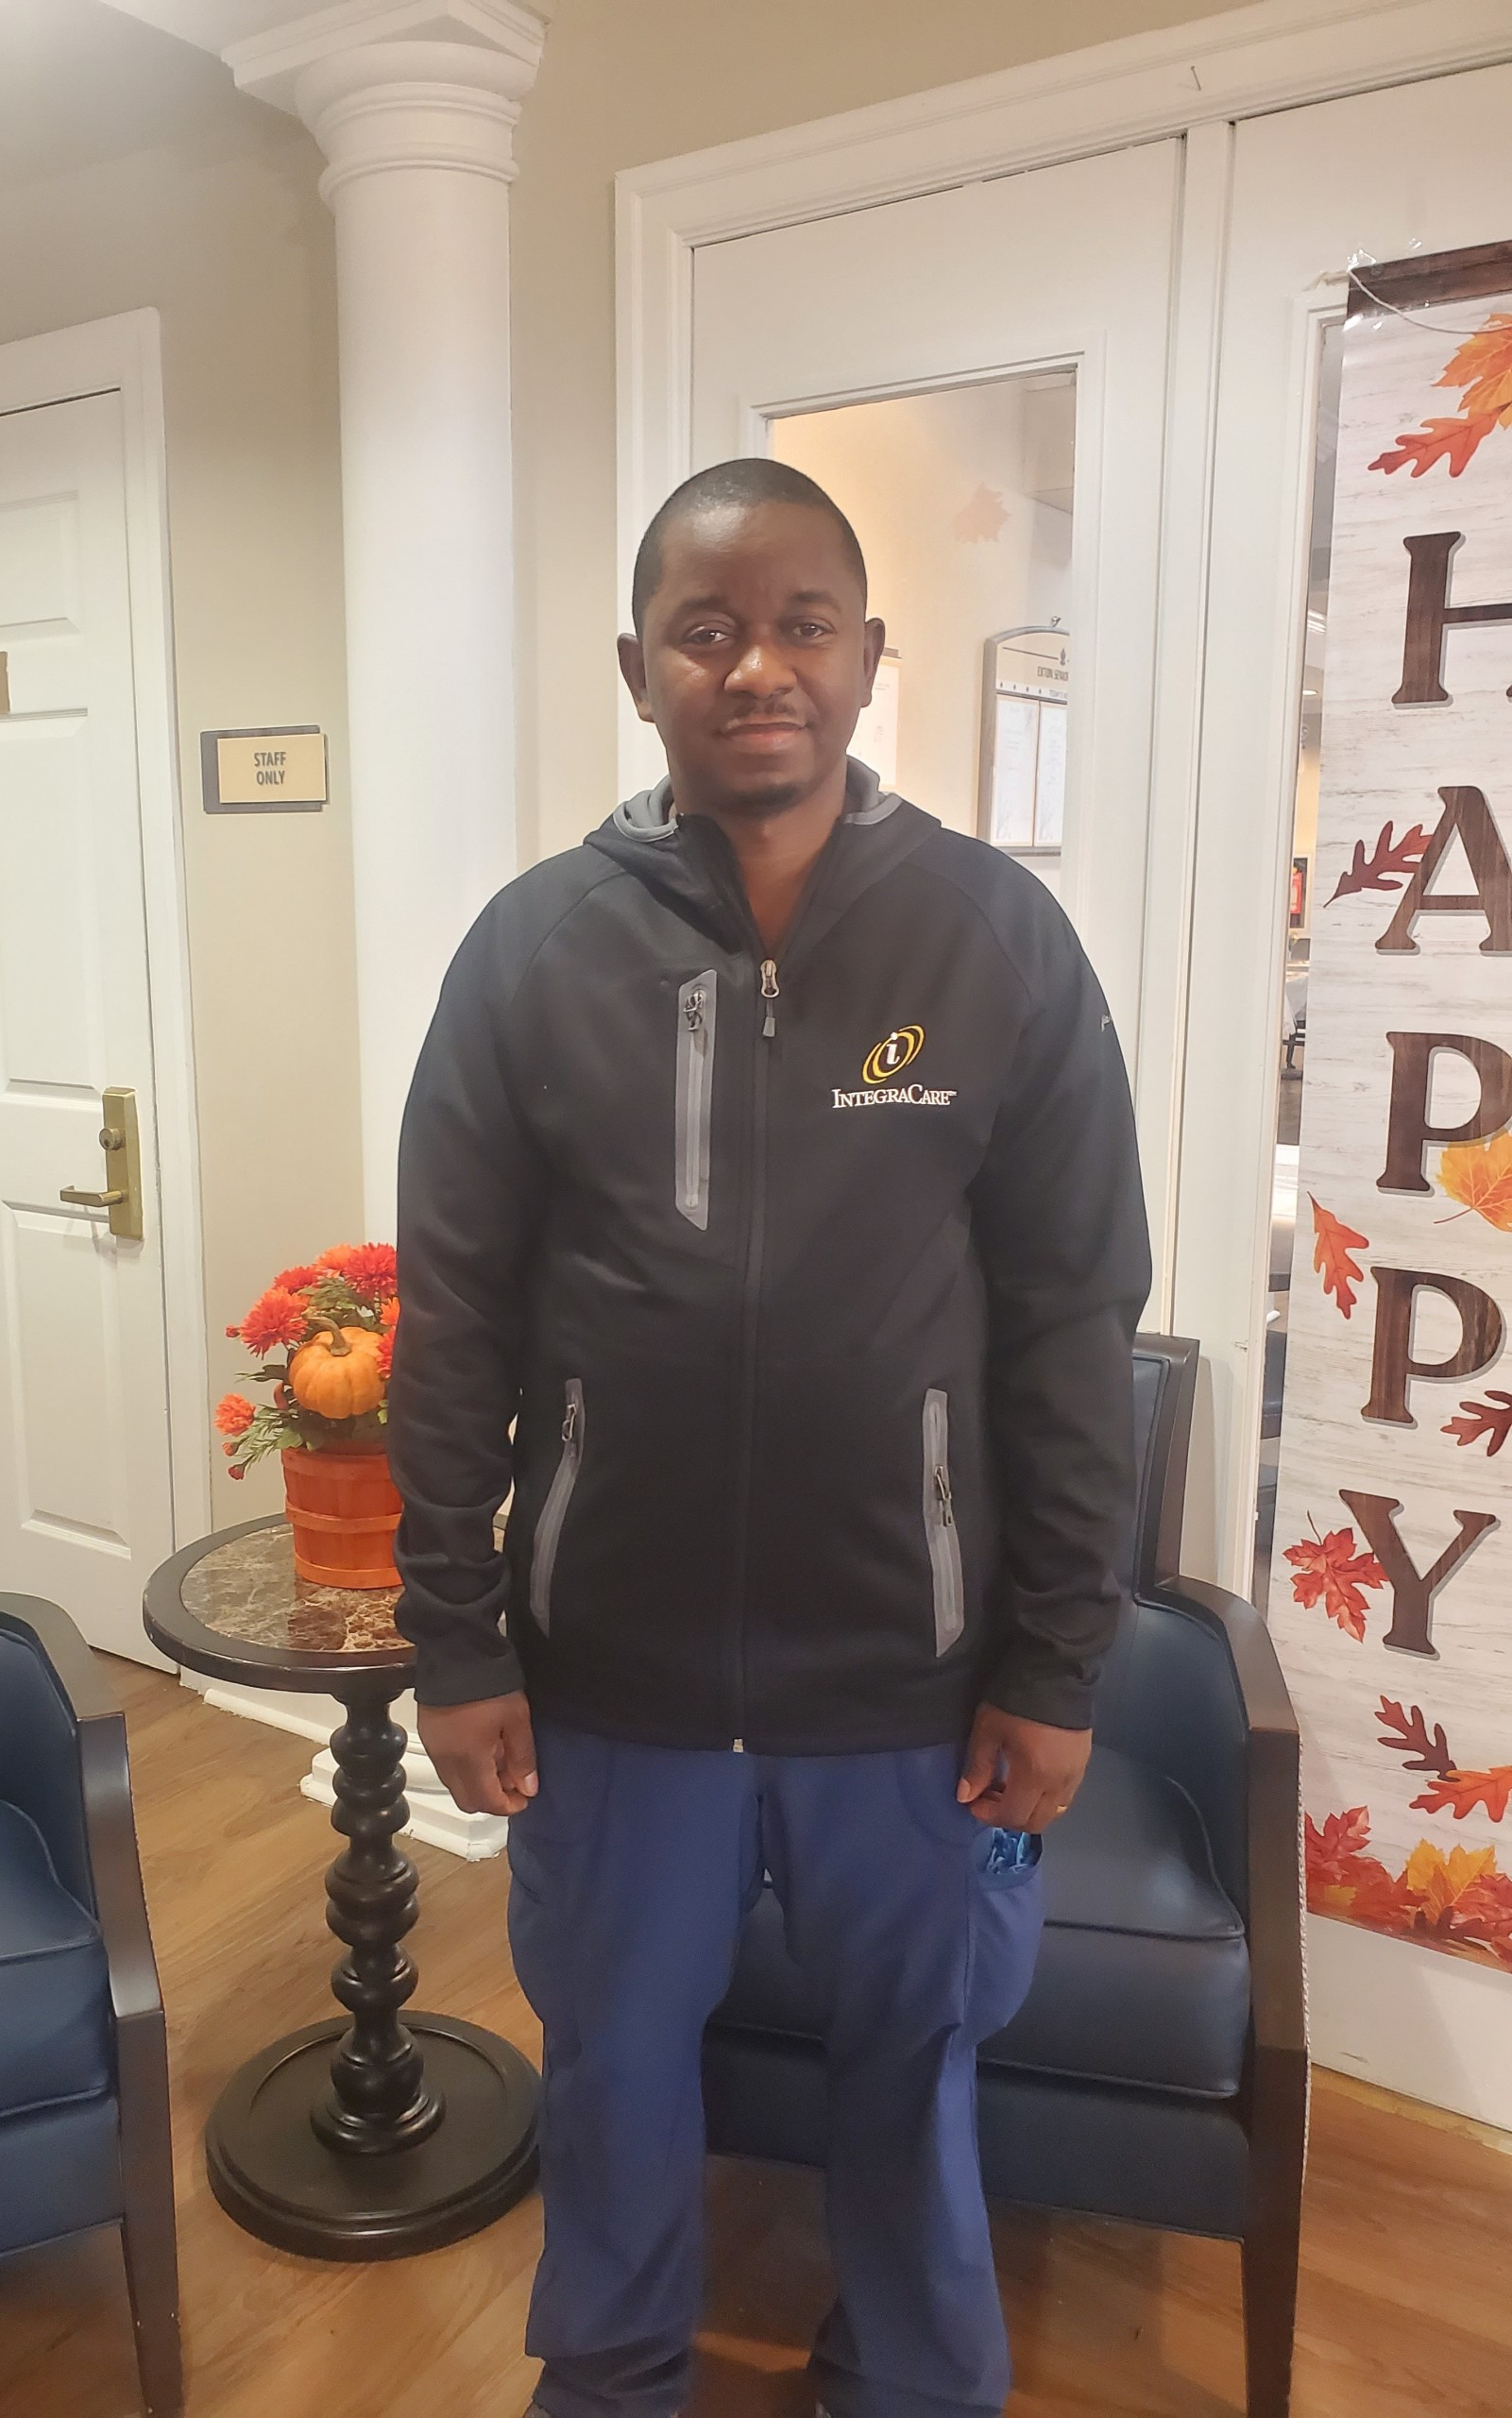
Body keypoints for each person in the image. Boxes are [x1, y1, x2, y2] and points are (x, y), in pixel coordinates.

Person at [386, 457, 1150, 2418]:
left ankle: (909, 2375)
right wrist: (459, 1639)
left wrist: (1060, 1658)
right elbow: (455, 1319)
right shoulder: (530, 952)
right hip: (612, 1684)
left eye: (804, 622)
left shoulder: (999, 943)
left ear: (871, 656)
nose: (759, 666)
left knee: (915, 2073)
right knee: (615, 2068)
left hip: (913, 1681)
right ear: (637, 664)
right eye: (708, 628)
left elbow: (1074, 1323)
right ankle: (616, 2379)